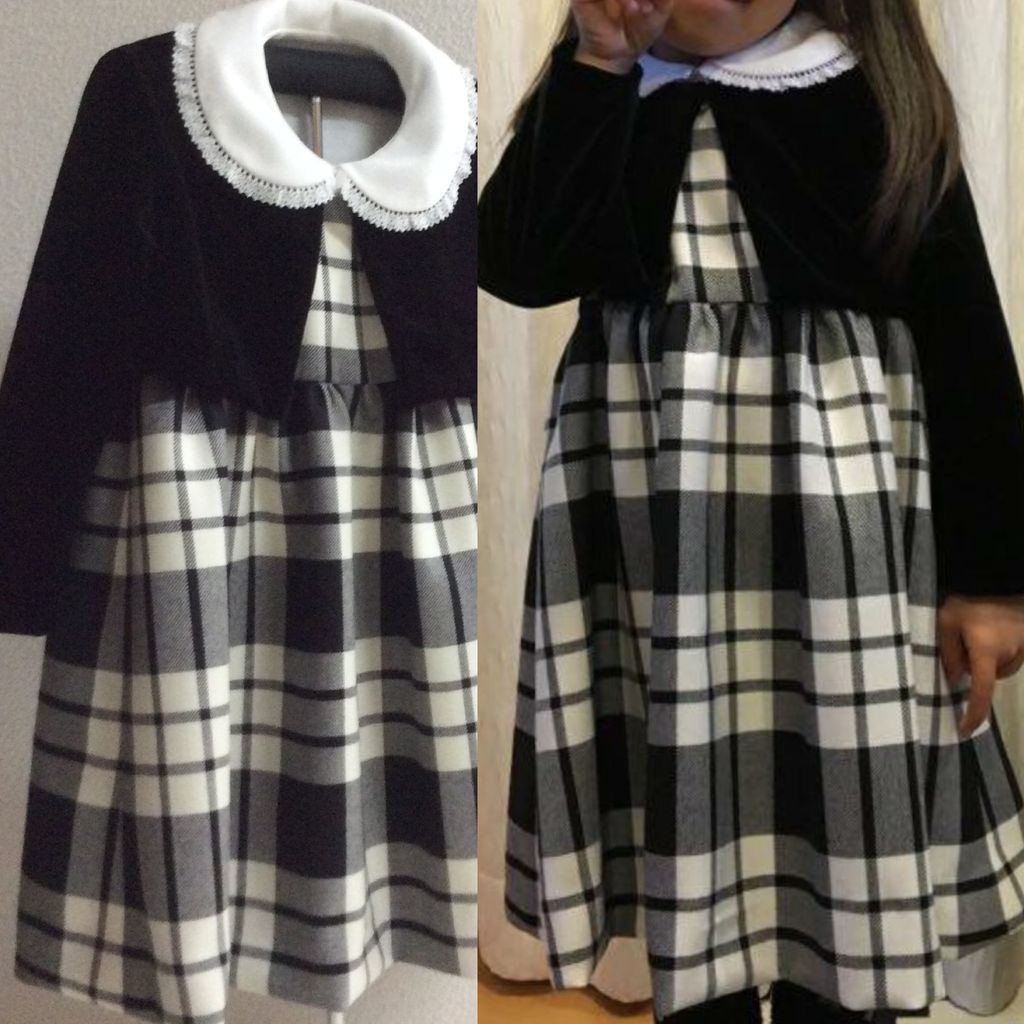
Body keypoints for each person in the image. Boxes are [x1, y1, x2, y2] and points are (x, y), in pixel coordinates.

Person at [478, 1, 1024, 1022]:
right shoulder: (604, 84)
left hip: (839, 558)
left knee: (843, 855)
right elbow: (515, 259)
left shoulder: (864, 90)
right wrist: (598, 64)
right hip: (651, 545)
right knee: (689, 859)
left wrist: (991, 579)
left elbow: (969, 347)